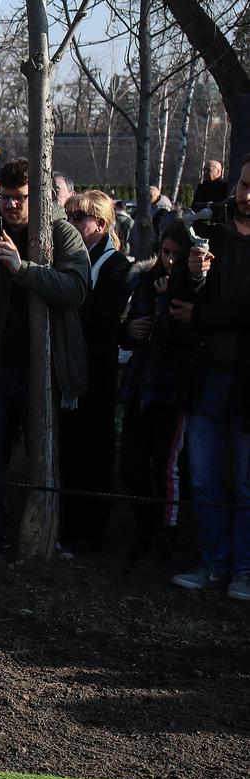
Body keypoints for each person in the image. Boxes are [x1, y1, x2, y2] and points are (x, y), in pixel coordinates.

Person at [0, 158, 91, 566]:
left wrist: (22, 268)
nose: (11, 206)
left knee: (43, 456)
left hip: (44, 368)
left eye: (20, 198)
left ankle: (48, 534)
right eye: (5, 197)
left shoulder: (60, 232)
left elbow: (77, 289)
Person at [170, 154, 250, 596]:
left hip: (246, 383)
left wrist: (204, 314)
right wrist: (194, 277)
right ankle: (215, 562)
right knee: (203, 475)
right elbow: (180, 304)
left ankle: (245, 568)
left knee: (245, 480)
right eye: (242, 185)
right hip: (206, 377)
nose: (246, 195)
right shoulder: (213, 228)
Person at [59, 189, 131, 554]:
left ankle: (91, 531)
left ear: (100, 224)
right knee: (70, 450)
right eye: (68, 217)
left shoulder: (117, 266)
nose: (71, 225)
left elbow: (102, 322)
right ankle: (69, 525)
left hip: (96, 375)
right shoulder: (71, 259)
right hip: (69, 371)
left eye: (78, 219)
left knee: (95, 452)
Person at [119, 221, 195, 562]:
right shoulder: (146, 280)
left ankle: (168, 536)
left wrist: (165, 305)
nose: (169, 260)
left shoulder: (194, 288)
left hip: (173, 389)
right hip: (141, 386)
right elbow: (127, 327)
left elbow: (181, 339)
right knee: (132, 465)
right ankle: (143, 530)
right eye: (165, 252)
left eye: (177, 255)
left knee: (166, 469)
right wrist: (129, 330)